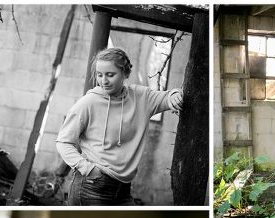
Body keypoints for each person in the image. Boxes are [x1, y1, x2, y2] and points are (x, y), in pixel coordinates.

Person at [56, 47, 183, 206]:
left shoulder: (140, 97)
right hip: (91, 187)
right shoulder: (87, 104)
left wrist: (175, 97)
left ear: (125, 74)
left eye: (110, 75)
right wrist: (88, 169)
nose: (104, 81)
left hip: (123, 189)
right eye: (100, 75)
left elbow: (167, 97)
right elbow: (63, 142)